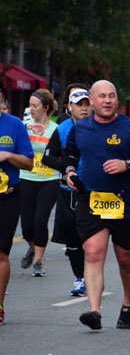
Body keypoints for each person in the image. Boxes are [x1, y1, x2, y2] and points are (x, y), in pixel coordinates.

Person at [64, 80, 130, 330]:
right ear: (91, 101)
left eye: (112, 96)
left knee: (125, 258)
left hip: (125, 201)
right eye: (102, 96)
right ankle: (94, 310)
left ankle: (128, 301)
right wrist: (70, 171)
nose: (107, 100)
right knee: (93, 252)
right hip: (92, 199)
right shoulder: (80, 129)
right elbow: (69, 153)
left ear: (117, 99)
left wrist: (126, 165)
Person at [42, 87, 91, 295]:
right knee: (72, 239)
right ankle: (79, 277)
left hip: (94, 190)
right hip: (68, 189)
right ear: (70, 107)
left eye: (87, 104)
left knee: (90, 237)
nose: (84, 109)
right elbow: (47, 157)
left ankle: (91, 274)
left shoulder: (100, 127)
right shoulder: (62, 129)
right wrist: (69, 167)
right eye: (79, 105)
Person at [18, 89, 61, 277]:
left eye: (35, 105)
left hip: (49, 180)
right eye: (30, 105)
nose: (31, 108)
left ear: (46, 107)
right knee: (27, 226)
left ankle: (38, 261)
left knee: (40, 221)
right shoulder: (24, 124)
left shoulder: (55, 129)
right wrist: (28, 128)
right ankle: (32, 248)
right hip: (25, 177)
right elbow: (10, 128)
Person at [0, 106, 34, 324]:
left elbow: (29, 163)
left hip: (8, 196)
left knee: (1, 253)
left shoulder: (14, 125)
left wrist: (9, 155)